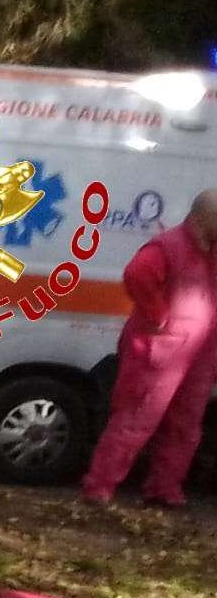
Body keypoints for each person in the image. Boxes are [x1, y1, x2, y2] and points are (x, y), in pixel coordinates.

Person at [79, 189, 217, 509]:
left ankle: (164, 488)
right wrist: (158, 317)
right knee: (136, 420)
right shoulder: (169, 246)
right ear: (205, 217)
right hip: (162, 349)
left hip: (200, 352)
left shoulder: (209, 250)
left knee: (185, 426)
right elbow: (136, 275)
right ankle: (99, 487)